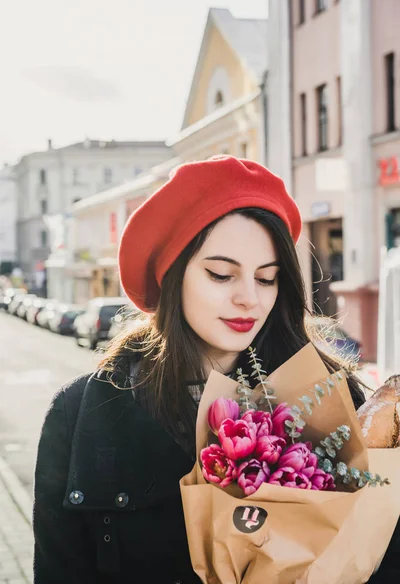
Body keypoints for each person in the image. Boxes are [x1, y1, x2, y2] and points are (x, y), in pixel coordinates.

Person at [33, 155, 399, 583]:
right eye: (222, 274)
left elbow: (384, 553)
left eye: (267, 278)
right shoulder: (82, 414)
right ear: (173, 275)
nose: (249, 298)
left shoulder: (335, 400)